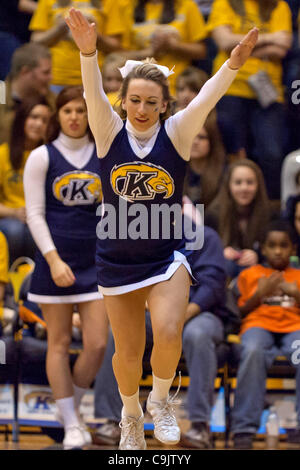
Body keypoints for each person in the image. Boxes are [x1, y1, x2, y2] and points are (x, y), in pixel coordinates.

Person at [66, 7, 258, 450]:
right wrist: (88, 52)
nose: (142, 109)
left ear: (165, 105)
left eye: (152, 102)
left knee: (170, 331)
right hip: (115, 259)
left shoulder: (178, 133)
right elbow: (93, 90)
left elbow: (207, 97)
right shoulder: (107, 129)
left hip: (165, 255)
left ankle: (162, 401)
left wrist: (232, 64)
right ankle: (131, 414)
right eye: (135, 100)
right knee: (127, 354)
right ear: (123, 101)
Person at [93, 224, 232, 450]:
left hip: (200, 312)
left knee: (195, 335)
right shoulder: (125, 229)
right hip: (149, 308)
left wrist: (180, 313)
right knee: (118, 341)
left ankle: (198, 424)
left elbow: (213, 283)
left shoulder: (202, 233)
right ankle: (115, 419)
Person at [23, 86, 109, 450]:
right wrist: (54, 259)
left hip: (95, 262)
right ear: (57, 115)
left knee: (98, 344)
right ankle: (73, 423)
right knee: (57, 343)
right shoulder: (41, 157)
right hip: (55, 259)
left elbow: (110, 208)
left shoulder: (104, 155)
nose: (74, 117)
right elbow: (34, 214)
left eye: (80, 110)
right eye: (67, 111)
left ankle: (67, 407)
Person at [207, 0, 292, 199]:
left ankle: (270, 207)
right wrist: (270, 38)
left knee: (272, 155)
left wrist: (240, 49)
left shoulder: (279, 6)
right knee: (231, 154)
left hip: (269, 93)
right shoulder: (224, 3)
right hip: (230, 88)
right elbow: (223, 42)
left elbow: (283, 48)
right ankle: (227, 207)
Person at [231, 219, 300, 449]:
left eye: (284, 245)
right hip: (258, 326)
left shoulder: (297, 275)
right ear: (263, 248)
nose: (278, 251)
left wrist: (296, 293)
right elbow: (237, 313)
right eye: (272, 245)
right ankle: (243, 428)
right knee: (252, 352)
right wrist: (259, 294)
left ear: (293, 249)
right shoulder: (250, 274)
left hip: (294, 329)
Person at [30, 0, 126, 92]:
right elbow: (35, 41)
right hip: (56, 78)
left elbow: (116, 46)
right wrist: (59, 29)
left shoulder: (109, 1)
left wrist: (92, 33)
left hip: (94, 79)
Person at [0, 95, 52, 263]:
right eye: (34, 117)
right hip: (10, 216)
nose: (38, 124)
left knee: (34, 231)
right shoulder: (3, 153)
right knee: (15, 231)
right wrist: (14, 212)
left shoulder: (50, 155)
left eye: (44, 120)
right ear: (22, 119)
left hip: (41, 217)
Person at [119, 0, 207, 95]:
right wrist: (149, 53)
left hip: (177, 88)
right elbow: (117, 56)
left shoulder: (187, 5)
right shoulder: (128, 6)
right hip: (140, 87)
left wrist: (173, 46)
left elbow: (202, 51)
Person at [207, 159, 271, 279]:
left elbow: (276, 250)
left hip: (259, 271)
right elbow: (203, 252)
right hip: (225, 271)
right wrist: (221, 252)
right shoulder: (213, 214)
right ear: (229, 185)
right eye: (238, 182)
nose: (244, 188)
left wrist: (258, 255)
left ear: (258, 185)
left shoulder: (269, 214)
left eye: (250, 182)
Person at [0, 42, 54, 145]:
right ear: (25, 72)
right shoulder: (1, 94)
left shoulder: (52, 101)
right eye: (45, 72)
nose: (51, 77)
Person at [183, 112, 227, 208]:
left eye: (201, 137)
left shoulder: (224, 173)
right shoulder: (176, 169)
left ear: (212, 142)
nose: (195, 142)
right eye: (191, 137)